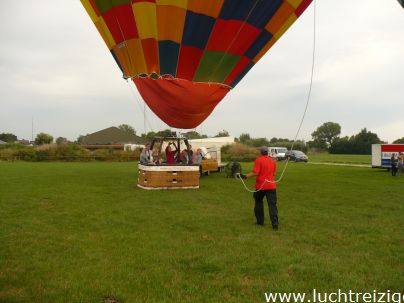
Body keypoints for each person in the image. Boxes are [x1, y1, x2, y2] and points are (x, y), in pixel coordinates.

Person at [240, 146, 278, 230]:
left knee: (258, 202)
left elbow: (255, 172)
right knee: (272, 205)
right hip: (271, 186)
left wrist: (245, 176)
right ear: (267, 152)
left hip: (261, 186)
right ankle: (275, 223)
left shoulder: (258, 160)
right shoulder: (273, 161)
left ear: (261, 152)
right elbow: (273, 174)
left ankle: (260, 222)